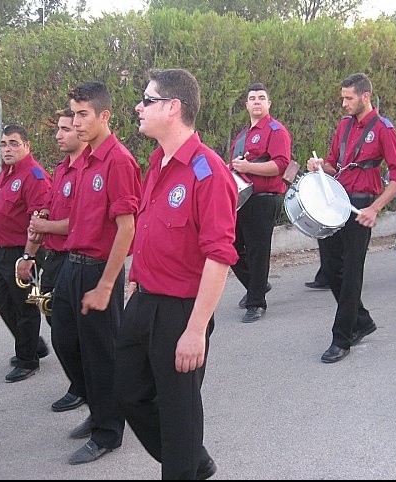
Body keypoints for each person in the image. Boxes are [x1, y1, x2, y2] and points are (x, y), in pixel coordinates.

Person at [114, 68, 237, 480]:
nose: (138, 106)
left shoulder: (208, 172)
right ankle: (193, 462)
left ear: (172, 108)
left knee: (179, 414)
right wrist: (135, 285)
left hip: (181, 311)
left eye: (146, 100)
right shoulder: (157, 163)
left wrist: (195, 329)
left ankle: (184, 465)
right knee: (129, 394)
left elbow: (219, 257)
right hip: (144, 300)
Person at [50, 81, 142, 464]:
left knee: (101, 353)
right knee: (65, 341)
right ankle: (96, 404)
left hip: (100, 270)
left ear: (104, 115)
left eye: (83, 114)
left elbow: (127, 228)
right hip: (73, 265)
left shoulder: (118, 161)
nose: (76, 121)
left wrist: (107, 285)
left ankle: (108, 430)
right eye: (73, 114)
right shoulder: (84, 159)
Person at [306, 72, 396, 364]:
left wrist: (375, 208)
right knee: (330, 267)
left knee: (351, 273)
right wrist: (318, 166)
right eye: (342, 97)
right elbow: (332, 164)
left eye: (348, 98)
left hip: (362, 206)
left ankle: (342, 337)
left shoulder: (384, 129)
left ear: (365, 96)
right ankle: (360, 320)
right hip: (336, 203)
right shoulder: (343, 126)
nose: (344, 103)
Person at [0, 124, 52, 383]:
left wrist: (28, 257)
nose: (7, 149)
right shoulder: (5, 175)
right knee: (2, 300)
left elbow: (39, 219)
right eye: (4, 144)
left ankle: (27, 360)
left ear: (27, 146)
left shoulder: (34, 176)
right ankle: (33, 345)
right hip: (0, 251)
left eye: (14, 143)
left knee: (25, 307)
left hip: (21, 252)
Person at [27, 108, 87, 412]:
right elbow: (51, 208)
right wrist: (43, 218)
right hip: (54, 257)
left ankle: (86, 388)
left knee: (71, 332)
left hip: (76, 259)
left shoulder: (87, 171)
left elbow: (80, 222)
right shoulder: (61, 169)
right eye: (59, 129)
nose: (59, 135)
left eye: (66, 129)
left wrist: (44, 226)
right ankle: (81, 384)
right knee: (58, 328)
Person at [229, 82, 292, 322]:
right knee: (232, 248)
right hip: (242, 199)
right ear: (246, 104)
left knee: (257, 252)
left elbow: (280, 165)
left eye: (261, 98)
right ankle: (258, 285)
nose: (257, 101)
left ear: (268, 104)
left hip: (264, 198)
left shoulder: (276, 131)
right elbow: (236, 163)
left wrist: (249, 167)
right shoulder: (243, 134)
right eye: (252, 98)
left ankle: (256, 303)